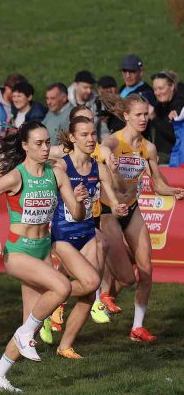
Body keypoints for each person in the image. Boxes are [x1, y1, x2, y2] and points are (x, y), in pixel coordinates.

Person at [0, 122, 90, 393]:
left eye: (47, 142)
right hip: (18, 251)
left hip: (43, 249)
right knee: (63, 286)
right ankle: (24, 335)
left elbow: (77, 213)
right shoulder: (17, 176)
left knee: (31, 322)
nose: (45, 148)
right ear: (25, 146)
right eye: (38, 143)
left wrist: (80, 201)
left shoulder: (57, 173)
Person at [97, 96, 184, 342]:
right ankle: (94, 296)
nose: (144, 119)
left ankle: (137, 327)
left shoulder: (149, 148)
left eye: (146, 114)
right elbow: (98, 170)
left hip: (132, 209)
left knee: (146, 270)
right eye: (138, 115)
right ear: (126, 116)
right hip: (108, 211)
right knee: (125, 276)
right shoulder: (112, 142)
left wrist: (174, 191)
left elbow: (157, 183)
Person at [43, 116, 114, 356]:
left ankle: (65, 346)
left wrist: (117, 206)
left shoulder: (98, 167)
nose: (91, 139)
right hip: (63, 236)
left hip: (87, 232)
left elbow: (111, 198)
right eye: (84, 135)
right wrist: (70, 194)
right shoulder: (61, 167)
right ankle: (48, 299)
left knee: (87, 293)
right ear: (72, 138)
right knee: (90, 283)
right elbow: (50, 195)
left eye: (93, 134)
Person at [149, 71, 181, 162]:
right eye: (155, 89)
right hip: (159, 152)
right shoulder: (160, 105)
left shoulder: (179, 106)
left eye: (161, 88)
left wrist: (154, 118)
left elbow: (174, 135)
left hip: (173, 157)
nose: (157, 93)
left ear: (171, 87)